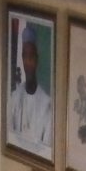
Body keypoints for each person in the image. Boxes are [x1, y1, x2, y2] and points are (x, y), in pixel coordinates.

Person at [6, 23, 52, 153]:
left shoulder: (46, 103)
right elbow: (9, 138)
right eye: (25, 56)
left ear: (36, 59)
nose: (28, 62)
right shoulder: (15, 98)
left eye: (31, 56)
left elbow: (45, 149)